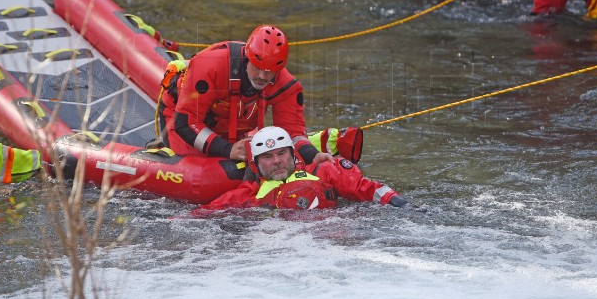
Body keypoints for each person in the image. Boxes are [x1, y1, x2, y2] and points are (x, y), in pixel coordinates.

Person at [157, 25, 333, 165]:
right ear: (248, 58)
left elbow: (292, 131)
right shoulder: (211, 66)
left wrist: (312, 156)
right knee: (201, 171)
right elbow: (186, 121)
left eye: (270, 72)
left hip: (231, 124)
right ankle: (160, 148)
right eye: (258, 68)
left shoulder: (287, 85)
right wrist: (227, 150)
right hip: (184, 119)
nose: (263, 76)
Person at [198, 126, 409, 210]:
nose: (277, 161)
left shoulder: (323, 171)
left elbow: (367, 189)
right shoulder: (245, 196)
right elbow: (204, 215)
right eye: (268, 157)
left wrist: (401, 204)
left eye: (282, 154)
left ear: (292, 155)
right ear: (255, 164)